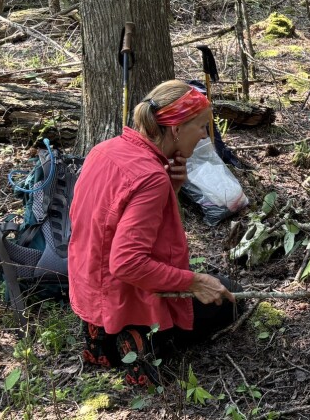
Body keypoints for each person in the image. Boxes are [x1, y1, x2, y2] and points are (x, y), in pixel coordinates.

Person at [68, 80, 239, 387]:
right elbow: (127, 262)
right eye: (201, 127)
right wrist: (194, 282)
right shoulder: (149, 177)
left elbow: (113, 227)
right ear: (175, 129)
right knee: (228, 299)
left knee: (214, 289)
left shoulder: (104, 150)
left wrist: (171, 187)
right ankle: (140, 338)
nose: (204, 136)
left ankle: (100, 333)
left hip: (91, 289)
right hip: (124, 292)